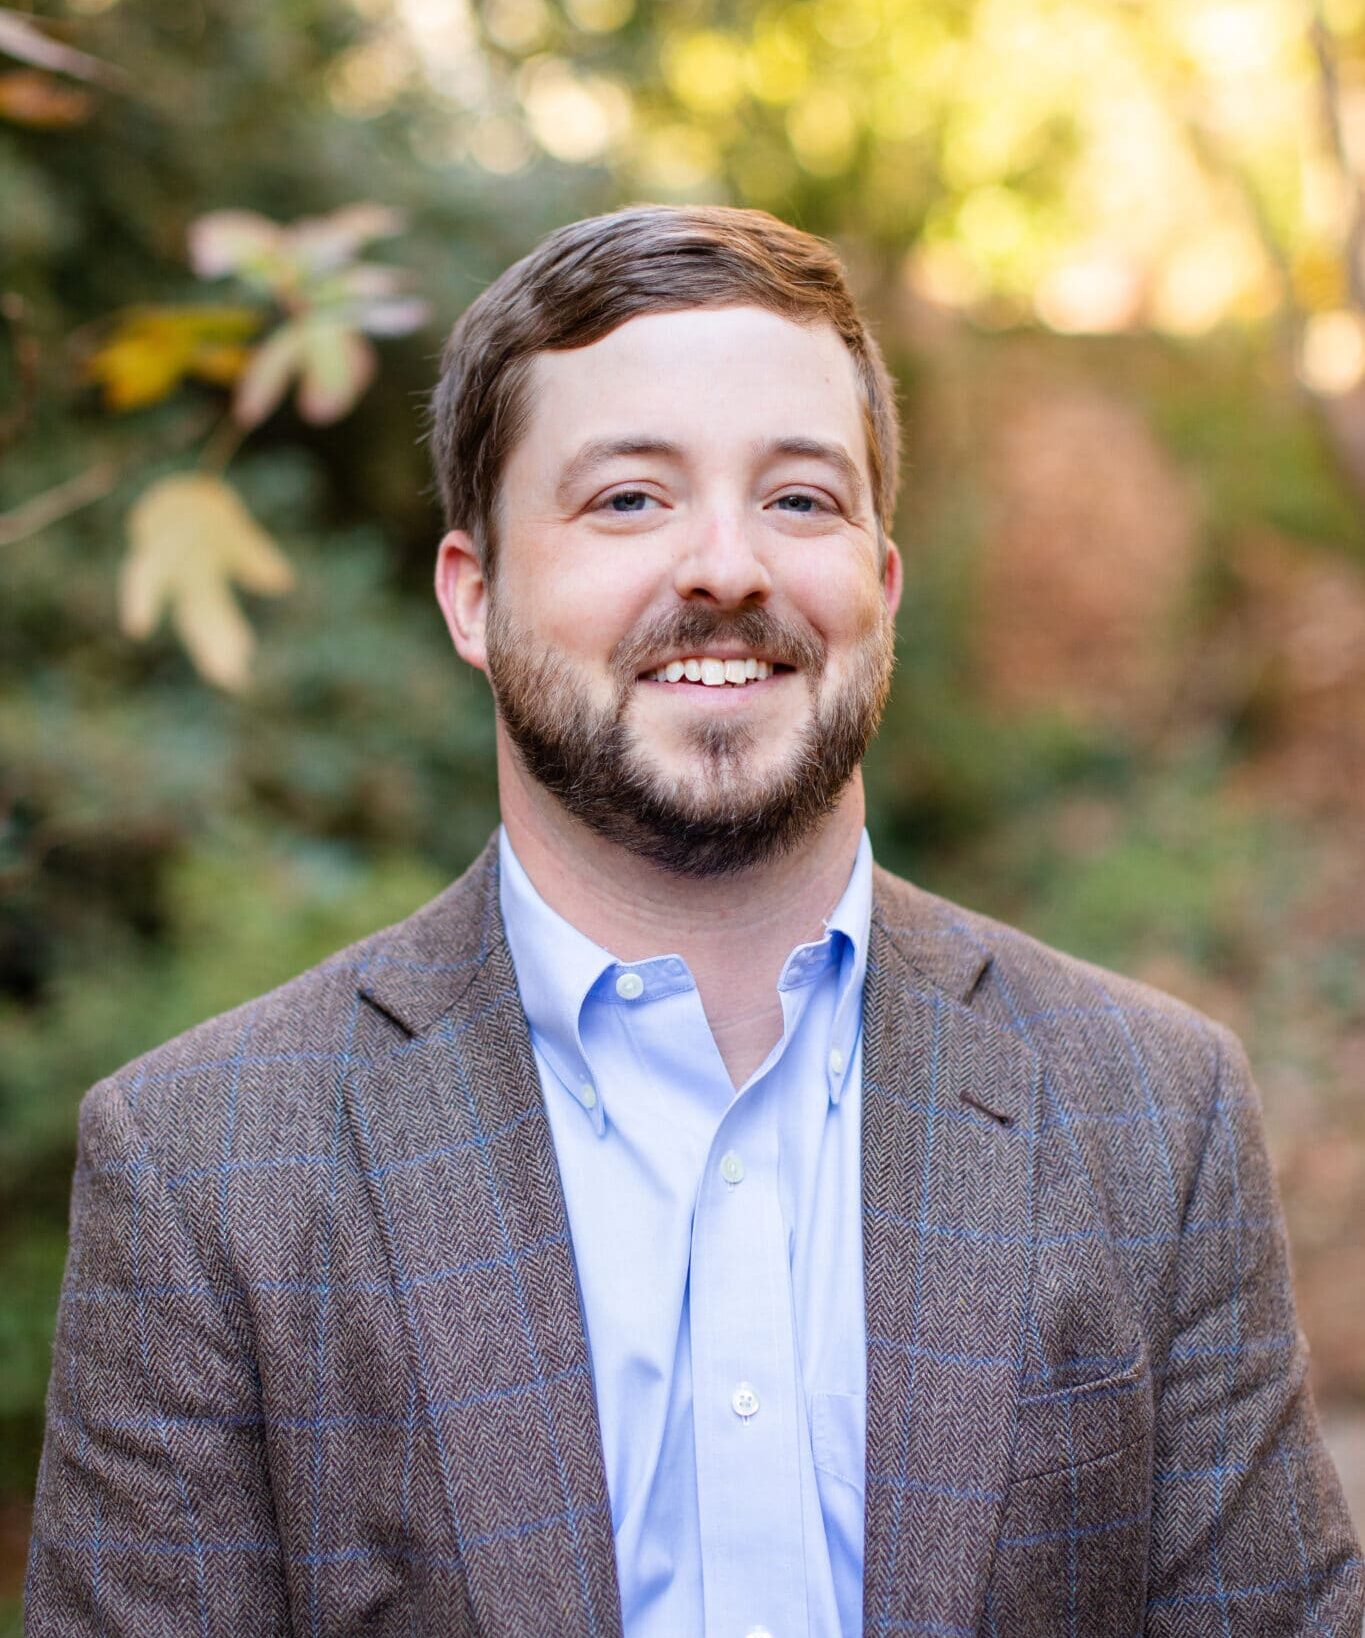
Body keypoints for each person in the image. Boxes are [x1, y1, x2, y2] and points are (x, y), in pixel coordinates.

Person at [25, 204, 1362, 1638]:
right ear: (474, 596)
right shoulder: (204, 1169)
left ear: (881, 587)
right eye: (627, 499)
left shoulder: (1150, 1111)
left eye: (798, 499)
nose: (725, 567)